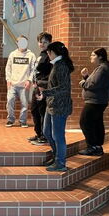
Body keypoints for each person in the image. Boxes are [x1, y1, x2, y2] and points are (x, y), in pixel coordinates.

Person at [37, 41, 74, 172]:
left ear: (54, 52)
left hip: (60, 106)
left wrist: (46, 92)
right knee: (47, 131)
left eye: (49, 52)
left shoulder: (61, 66)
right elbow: (54, 83)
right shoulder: (56, 65)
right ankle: (56, 156)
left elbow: (64, 88)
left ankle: (60, 162)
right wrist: (42, 84)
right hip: (52, 104)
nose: (47, 54)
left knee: (58, 135)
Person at [78, 48, 109, 156]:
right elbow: (94, 81)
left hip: (95, 101)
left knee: (85, 122)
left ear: (100, 57)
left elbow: (93, 84)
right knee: (96, 123)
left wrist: (83, 83)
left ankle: (92, 146)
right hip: (98, 101)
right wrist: (86, 76)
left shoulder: (103, 68)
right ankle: (97, 146)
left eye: (93, 55)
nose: (91, 57)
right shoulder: (102, 67)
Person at [5, 35, 36, 128]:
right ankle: (10, 119)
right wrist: (8, 80)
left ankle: (23, 121)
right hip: (13, 84)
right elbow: (8, 68)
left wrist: (29, 80)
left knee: (24, 104)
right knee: (10, 101)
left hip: (24, 84)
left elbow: (33, 69)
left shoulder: (31, 55)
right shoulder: (12, 54)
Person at [28, 32, 53, 145]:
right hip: (37, 86)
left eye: (45, 42)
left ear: (49, 42)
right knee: (34, 110)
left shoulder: (50, 55)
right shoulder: (41, 54)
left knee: (42, 111)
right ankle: (38, 133)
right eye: (40, 42)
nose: (42, 44)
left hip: (43, 88)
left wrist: (43, 85)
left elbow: (51, 74)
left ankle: (44, 135)